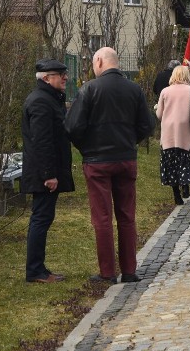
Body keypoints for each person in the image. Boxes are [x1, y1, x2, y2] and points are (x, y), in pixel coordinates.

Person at [65, 47, 154, 284]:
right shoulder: (134, 89)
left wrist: (86, 148)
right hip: (126, 158)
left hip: (97, 162)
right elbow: (147, 125)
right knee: (127, 215)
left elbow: (72, 127)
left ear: (100, 62)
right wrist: (129, 143)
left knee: (102, 218)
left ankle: (107, 272)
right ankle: (129, 270)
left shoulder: (89, 89)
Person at [22, 59, 74, 283]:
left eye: (64, 73)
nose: (65, 78)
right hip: (43, 174)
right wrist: (48, 175)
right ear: (45, 78)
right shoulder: (41, 102)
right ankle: (35, 271)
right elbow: (41, 142)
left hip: (45, 172)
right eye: (59, 74)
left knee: (43, 218)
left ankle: (38, 268)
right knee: (41, 219)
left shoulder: (48, 99)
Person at [155, 65, 190, 205]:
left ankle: (176, 194)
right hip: (187, 132)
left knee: (171, 164)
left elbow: (159, 114)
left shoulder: (165, 91)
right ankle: (186, 185)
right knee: (185, 161)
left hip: (169, 133)